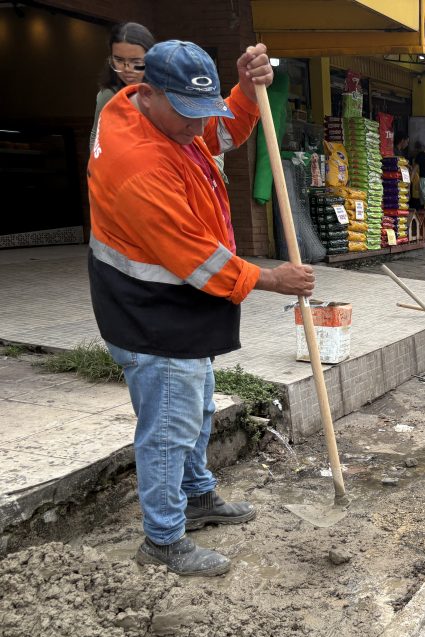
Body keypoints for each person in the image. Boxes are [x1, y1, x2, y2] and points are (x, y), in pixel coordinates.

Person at [88, 40, 315, 577]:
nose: (198, 129)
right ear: (147, 92)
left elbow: (220, 131)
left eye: (202, 110)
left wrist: (241, 89)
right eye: (187, 115)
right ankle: (163, 540)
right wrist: (270, 277)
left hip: (175, 301)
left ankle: (197, 496)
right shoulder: (139, 165)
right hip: (149, 309)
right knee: (169, 427)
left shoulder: (149, 113)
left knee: (198, 408)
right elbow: (197, 260)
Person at [90, 21, 155, 151]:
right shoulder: (108, 95)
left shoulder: (163, 91)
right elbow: (96, 137)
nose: (127, 69)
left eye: (136, 61)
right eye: (119, 60)